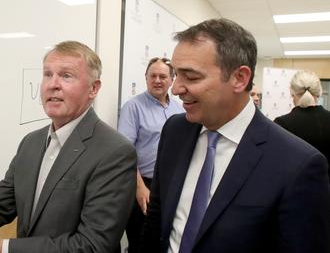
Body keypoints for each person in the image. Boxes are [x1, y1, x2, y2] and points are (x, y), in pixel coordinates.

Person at [140, 18, 330, 253]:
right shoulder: (174, 131)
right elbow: (156, 221)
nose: (176, 88)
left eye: (190, 77)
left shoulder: (298, 164)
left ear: (239, 78)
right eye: (177, 75)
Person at [0, 41, 136, 253]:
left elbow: (93, 245)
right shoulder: (31, 142)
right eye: (47, 74)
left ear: (93, 88)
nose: (52, 84)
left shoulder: (115, 152)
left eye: (66, 76)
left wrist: (3, 247)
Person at [118, 57, 184, 253]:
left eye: (163, 76)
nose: (157, 80)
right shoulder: (133, 107)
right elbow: (125, 152)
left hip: (169, 184)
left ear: (172, 80)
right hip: (142, 184)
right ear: (146, 78)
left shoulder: (178, 109)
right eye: (152, 76)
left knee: (163, 241)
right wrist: (140, 189)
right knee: (141, 242)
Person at [275, 70, 330, 179]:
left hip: (295, 193)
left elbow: (276, 165)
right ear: (319, 92)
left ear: (291, 92)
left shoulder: (281, 124)